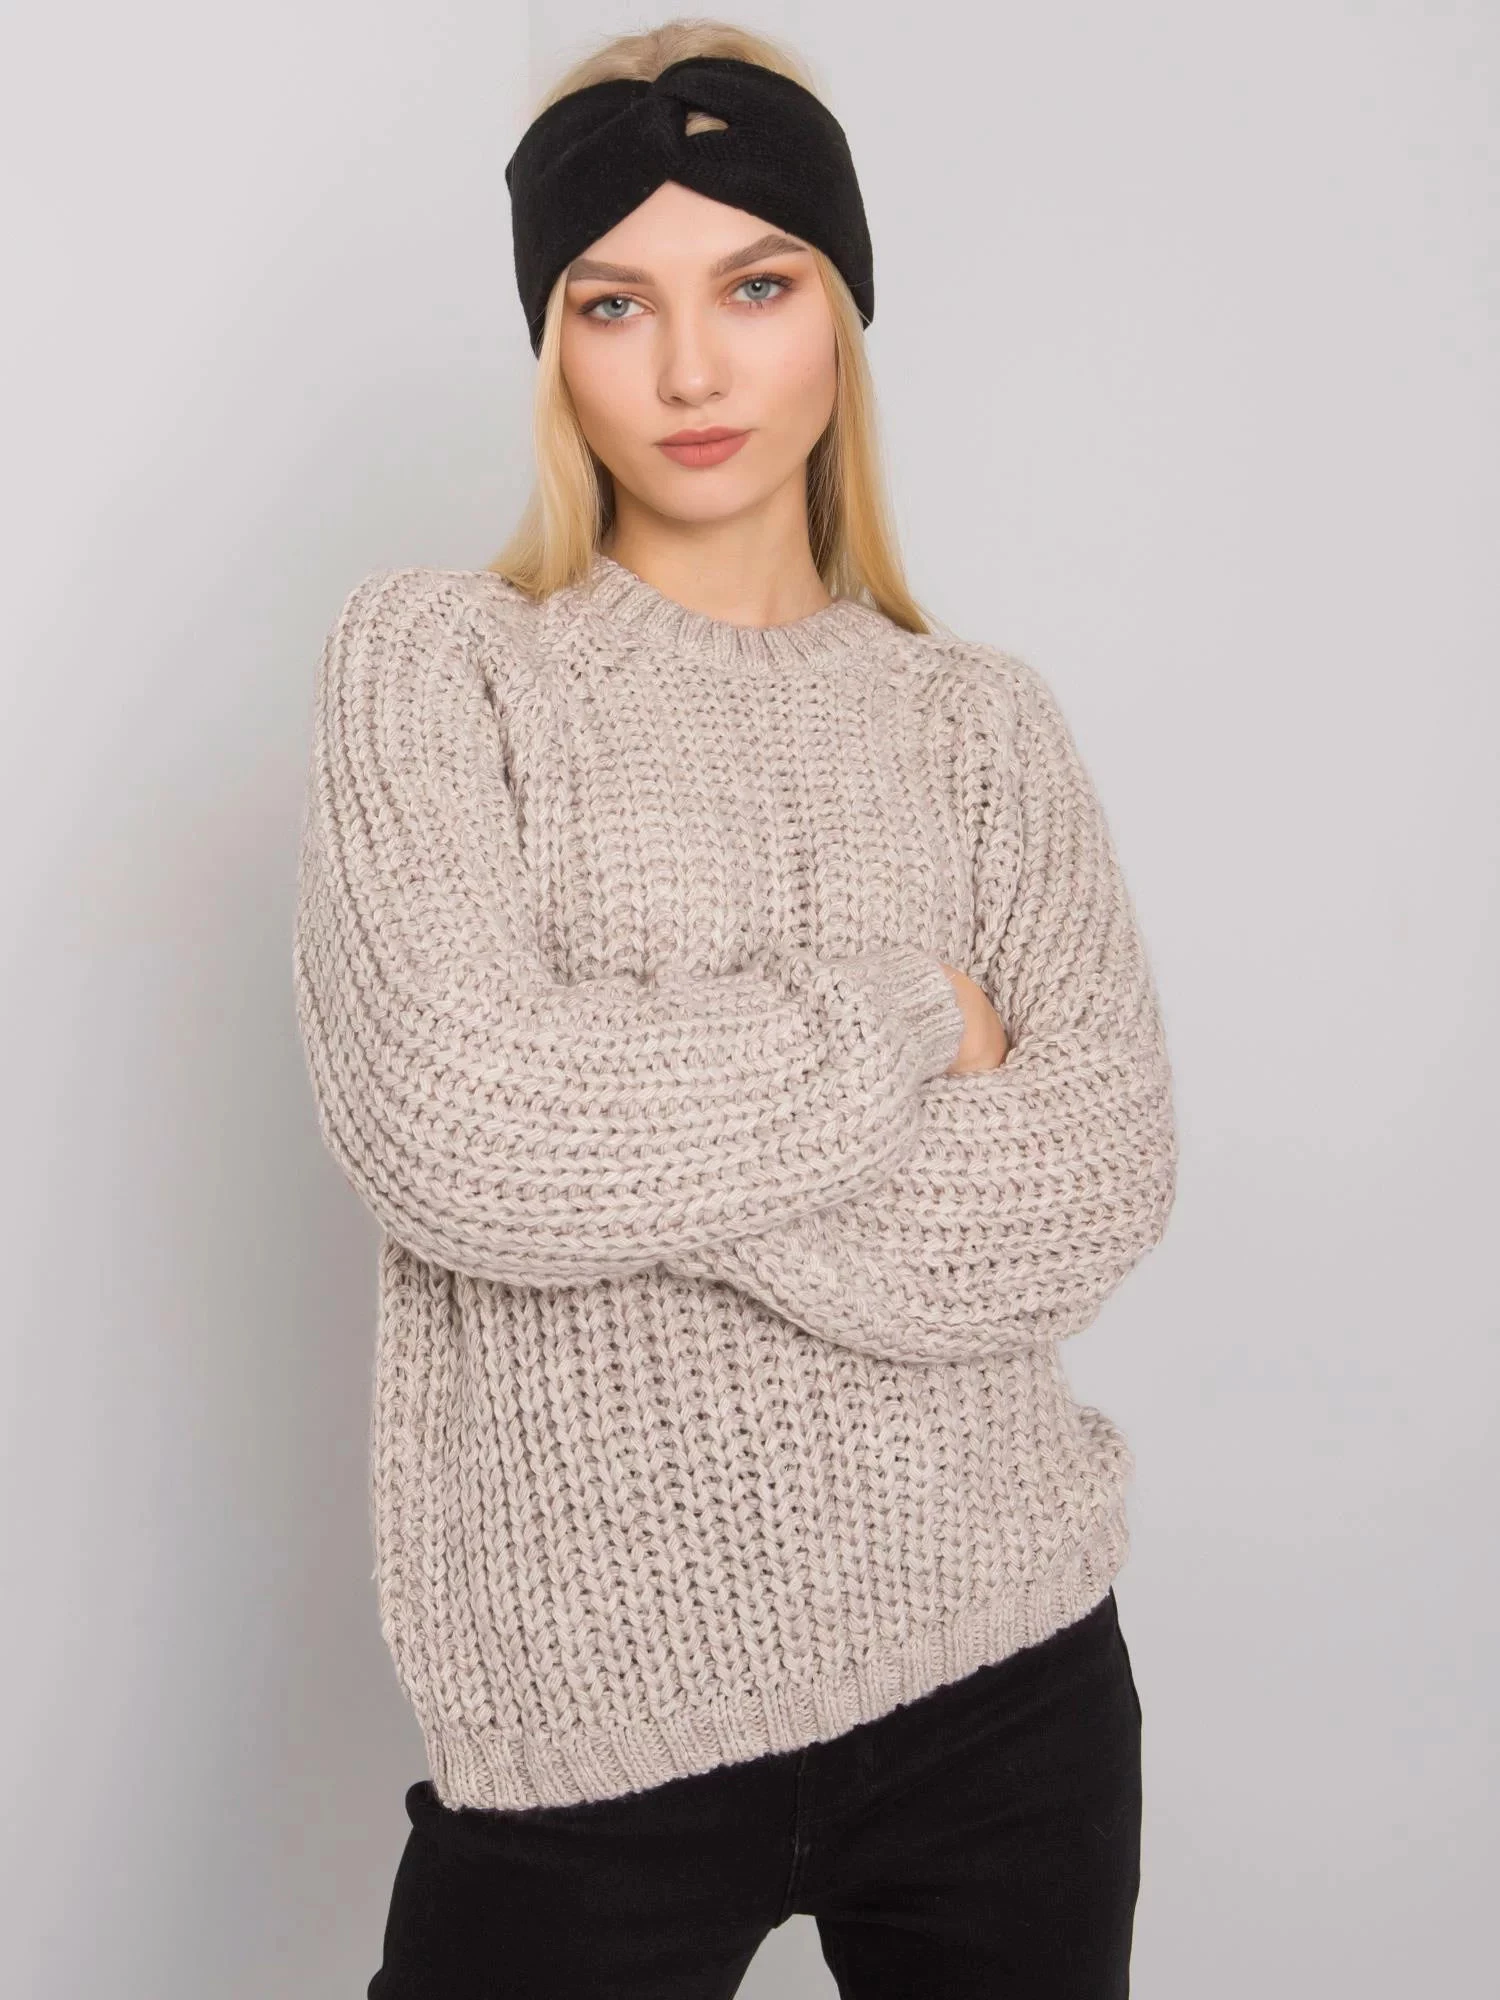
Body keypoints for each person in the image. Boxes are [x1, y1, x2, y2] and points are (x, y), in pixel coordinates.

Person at [291, 17, 1178, 1998]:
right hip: (587, 1742)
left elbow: (1096, 1181)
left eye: (756, 287)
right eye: (616, 303)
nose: (690, 369)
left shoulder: (980, 727)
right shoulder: (440, 670)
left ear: (840, 309)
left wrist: (625, 1140)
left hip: (1008, 1681)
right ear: (553, 343)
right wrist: (907, 1023)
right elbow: (460, 1132)